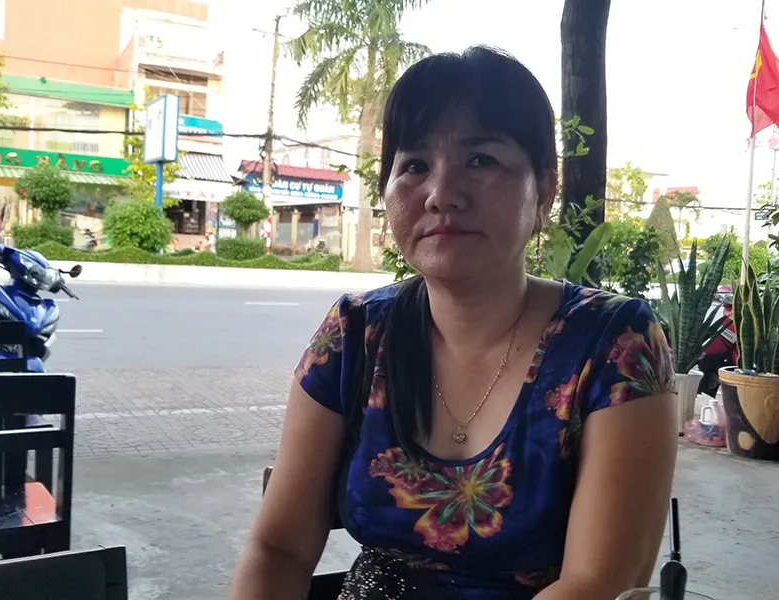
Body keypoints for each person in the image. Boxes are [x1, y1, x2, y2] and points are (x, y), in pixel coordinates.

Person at [229, 46, 677, 600]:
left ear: (544, 189)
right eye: (414, 166)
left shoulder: (615, 344)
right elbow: (279, 548)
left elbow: (599, 582)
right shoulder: (355, 335)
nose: (442, 195)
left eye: (481, 160)